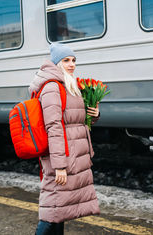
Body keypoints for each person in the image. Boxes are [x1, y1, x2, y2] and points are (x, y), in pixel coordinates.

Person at [29, 42, 100, 235]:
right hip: (62, 157)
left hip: (71, 155)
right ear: (56, 63)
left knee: (59, 209)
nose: (71, 64)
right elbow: (54, 127)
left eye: (74, 60)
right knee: (52, 210)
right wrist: (60, 165)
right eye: (66, 60)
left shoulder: (67, 84)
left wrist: (92, 115)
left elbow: (75, 123)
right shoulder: (52, 87)